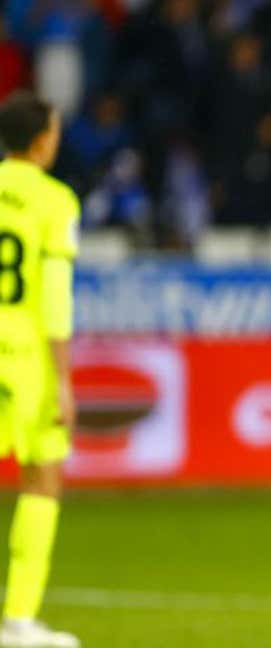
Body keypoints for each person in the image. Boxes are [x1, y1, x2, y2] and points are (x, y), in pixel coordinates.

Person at [0, 91, 81, 648]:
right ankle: (18, 621)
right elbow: (54, 298)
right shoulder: (56, 202)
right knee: (42, 478)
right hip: (25, 358)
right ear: (42, 139)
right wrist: (65, 378)